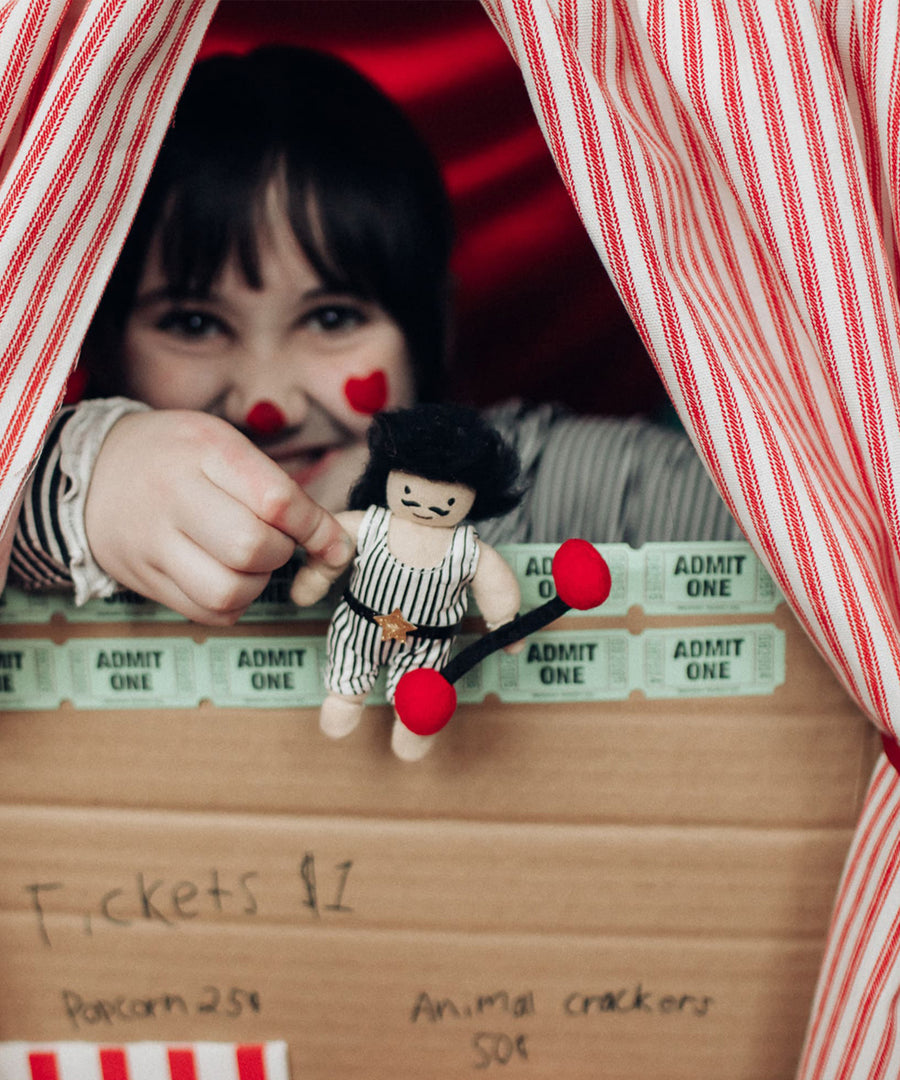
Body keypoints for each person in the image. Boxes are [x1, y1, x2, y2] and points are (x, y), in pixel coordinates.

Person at [8, 45, 743, 625]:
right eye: (194, 324)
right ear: (96, 342)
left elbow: (824, 535)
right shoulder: (68, 504)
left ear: (430, 330)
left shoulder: (547, 487)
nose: (270, 404)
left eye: (331, 319)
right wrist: (78, 479)